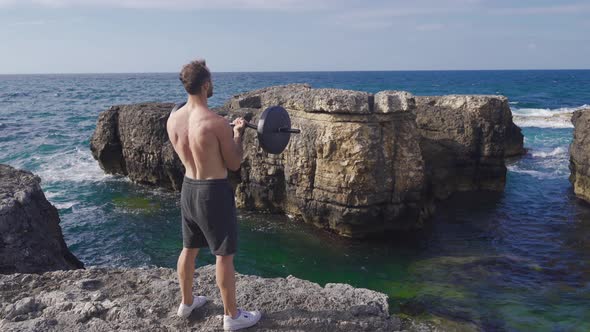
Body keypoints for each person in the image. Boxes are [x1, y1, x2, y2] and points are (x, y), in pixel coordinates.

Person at [166, 59, 261, 331]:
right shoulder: (216, 122)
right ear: (206, 85)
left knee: (189, 248)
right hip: (213, 192)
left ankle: (186, 303)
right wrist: (238, 133)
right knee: (224, 255)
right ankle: (231, 316)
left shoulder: (173, 119)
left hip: (188, 188)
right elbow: (234, 163)